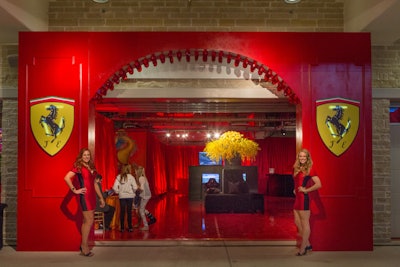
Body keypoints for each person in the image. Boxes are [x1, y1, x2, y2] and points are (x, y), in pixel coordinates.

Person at [64, 148, 105, 257]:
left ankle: (84, 245)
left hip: (92, 197)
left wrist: (101, 198)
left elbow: (95, 184)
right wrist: (75, 190)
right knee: (88, 220)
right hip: (85, 196)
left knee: (89, 221)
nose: (86, 156)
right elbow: (66, 177)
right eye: (84, 155)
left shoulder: (91, 166)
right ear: (81, 156)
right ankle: (84, 246)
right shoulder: (78, 166)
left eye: (88, 155)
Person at [292, 148, 322, 256]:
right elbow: (297, 181)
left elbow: (319, 184)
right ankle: (308, 244)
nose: (302, 158)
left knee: (305, 224)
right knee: (297, 222)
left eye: (304, 156)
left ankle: (303, 248)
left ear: (307, 157)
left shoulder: (310, 169)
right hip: (297, 198)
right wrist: (295, 189)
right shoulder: (296, 168)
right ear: (298, 157)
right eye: (300, 156)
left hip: (304, 199)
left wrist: (306, 190)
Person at [112, 164, 138, 232]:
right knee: (129, 211)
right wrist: (132, 191)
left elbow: (114, 187)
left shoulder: (119, 177)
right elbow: (135, 187)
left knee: (122, 212)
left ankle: (122, 228)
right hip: (130, 196)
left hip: (122, 196)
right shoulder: (131, 177)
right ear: (129, 169)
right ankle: (130, 227)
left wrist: (118, 192)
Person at [135, 166, 156, 231]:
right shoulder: (143, 177)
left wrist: (136, 187)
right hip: (146, 195)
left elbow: (142, 189)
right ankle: (151, 217)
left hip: (145, 196)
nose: (135, 172)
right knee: (141, 208)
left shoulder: (141, 178)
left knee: (141, 210)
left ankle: (146, 225)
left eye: (135, 171)